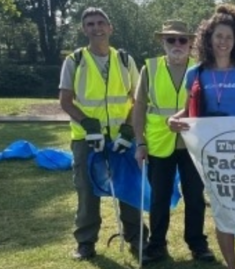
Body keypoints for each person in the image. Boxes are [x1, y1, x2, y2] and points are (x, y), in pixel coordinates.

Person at [166, 5, 235, 269]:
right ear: (209, 38)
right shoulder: (195, 73)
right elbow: (188, 109)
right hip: (213, 156)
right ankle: (232, 266)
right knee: (224, 215)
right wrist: (173, 119)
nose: (223, 42)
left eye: (229, 37)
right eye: (219, 36)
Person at [58, 7, 146, 260]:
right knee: (87, 190)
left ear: (110, 28)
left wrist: (129, 129)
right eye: (90, 24)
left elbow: (137, 100)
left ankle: (137, 238)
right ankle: (85, 242)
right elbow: (65, 100)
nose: (96, 28)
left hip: (122, 137)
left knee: (128, 188)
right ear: (83, 29)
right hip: (86, 139)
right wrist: (88, 124)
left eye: (100, 23)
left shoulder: (125, 59)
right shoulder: (74, 60)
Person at [132, 19, 215, 264]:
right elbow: (138, 108)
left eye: (182, 39)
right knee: (159, 198)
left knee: (195, 197)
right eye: (171, 39)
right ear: (163, 43)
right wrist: (139, 142)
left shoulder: (202, 69)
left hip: (193, 145)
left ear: (191, 43)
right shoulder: (150, 68)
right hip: (159, 144)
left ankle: (198, 244)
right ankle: (156, 245)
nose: (177, 44)